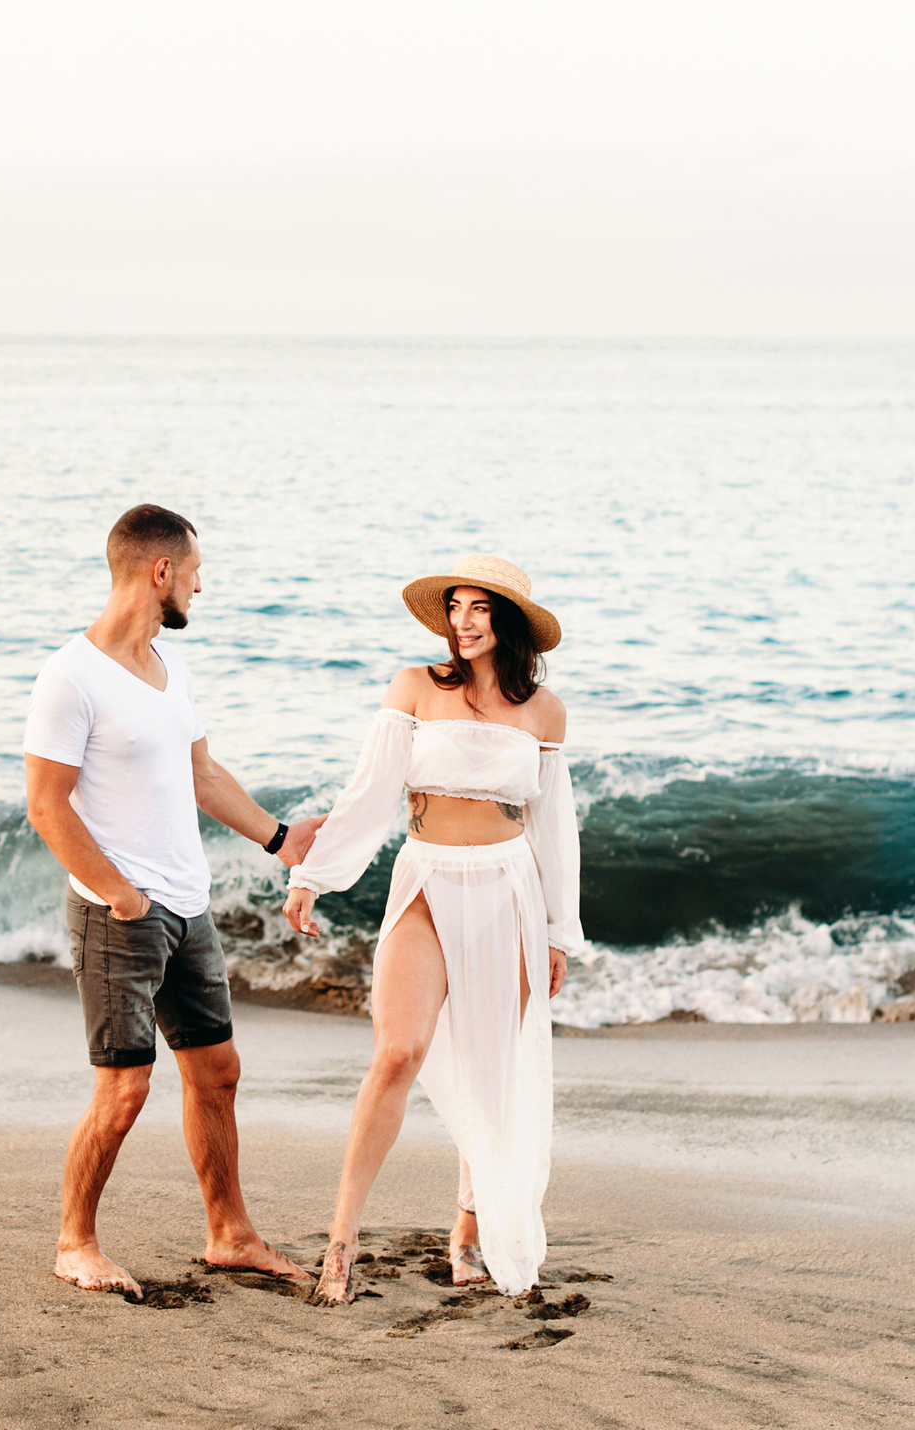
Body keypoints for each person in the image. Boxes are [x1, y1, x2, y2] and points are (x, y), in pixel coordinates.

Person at [23, 503, 321, 1300]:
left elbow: (203, 775)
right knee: (124, 1090)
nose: (200, 585)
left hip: (187, 908)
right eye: (194, 572)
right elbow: (47, 806)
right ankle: (74, 1243)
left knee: (216, 1070)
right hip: (117, 913)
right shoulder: (70, 677)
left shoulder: (168, 666)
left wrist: (279, 837)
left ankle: (229, 1234)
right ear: (161, 573)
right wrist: (119, 894)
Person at [282, 554, 582, 1303]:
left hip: (509, 891)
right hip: (426, 878)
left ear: (507, 622)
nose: (464, 621)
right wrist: (312, 873)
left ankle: (468, 1233)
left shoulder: (544, 712)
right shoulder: (415, 687)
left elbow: (554, 829)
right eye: (457, 607)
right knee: (398, 1053)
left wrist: (558, 931)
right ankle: (341, 1243)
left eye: (481, 608)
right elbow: (370, 793)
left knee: (492, 1071)